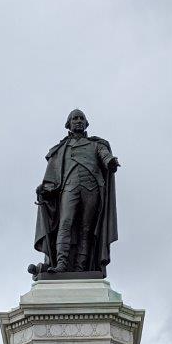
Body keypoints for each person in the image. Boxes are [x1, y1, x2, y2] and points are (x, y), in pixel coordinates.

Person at [34, 109, 119, 274]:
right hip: (69, 187)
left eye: (81, 118)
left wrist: (110, 162)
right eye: (75, 119)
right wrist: (45, 189)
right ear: (69, 124)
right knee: (65, 224)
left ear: (86, 123)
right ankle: (61, 264)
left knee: (86, 229)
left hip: (92, 188)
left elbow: (105, 156)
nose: (78, 121)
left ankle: (81, 268)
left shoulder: (96, 144)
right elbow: (53, 176)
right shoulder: (60, 149)